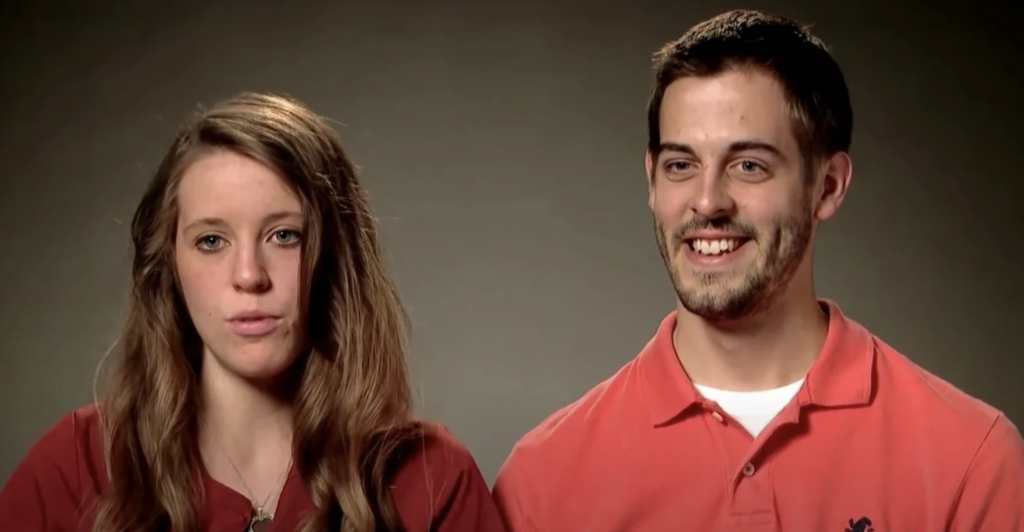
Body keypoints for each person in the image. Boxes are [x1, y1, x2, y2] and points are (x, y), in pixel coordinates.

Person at [492, 9, 1024, 532]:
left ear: (828, 186)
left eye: (749, 165)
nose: (707, 202)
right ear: (652, 180)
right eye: (682, 165)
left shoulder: (971, 462)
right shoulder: (543, 481)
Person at [0, 92, 505, 532]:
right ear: (169, 265)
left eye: (284, 235)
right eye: (211, 241)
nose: (249, 275)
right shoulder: (77, 465)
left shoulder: (429, 478)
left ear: (332, 257)